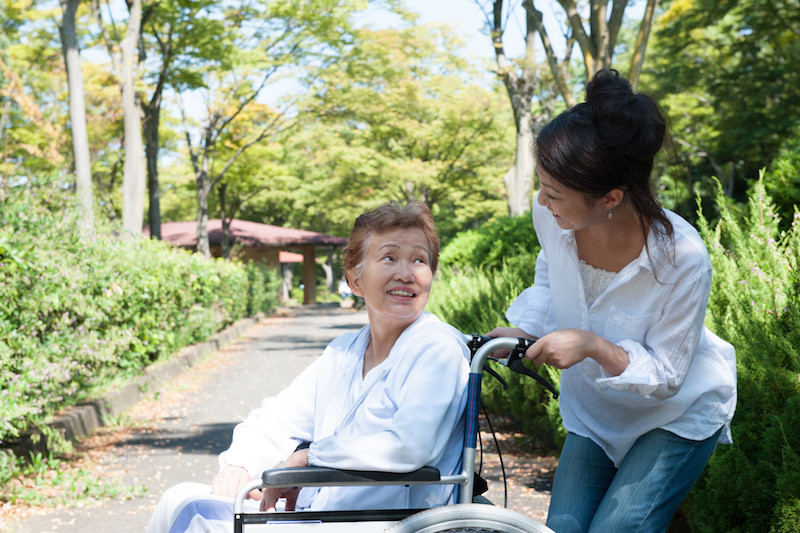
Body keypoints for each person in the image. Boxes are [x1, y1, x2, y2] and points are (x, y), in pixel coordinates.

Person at [488, 69, 737, 532]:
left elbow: (666, 375)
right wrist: (525, 333)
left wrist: (592, 346)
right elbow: (552, 278)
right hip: (596, 414)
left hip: (674, 415)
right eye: (542, 186)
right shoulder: (555, 220)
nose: (541, 202)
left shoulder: (682, 257)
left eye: (553, 193)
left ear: (611, 197)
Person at [147, 201, 470, 532]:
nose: (406, 273)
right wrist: (240, 465)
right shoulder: (344, 352)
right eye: (389, 258)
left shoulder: (437, 349)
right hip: (322, 513)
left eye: (419, 260)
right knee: (178, 498)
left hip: (383, 522)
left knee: (203, 524)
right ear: (355, 280)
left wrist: (307, 458)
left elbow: (409, 445)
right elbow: (278, 418)